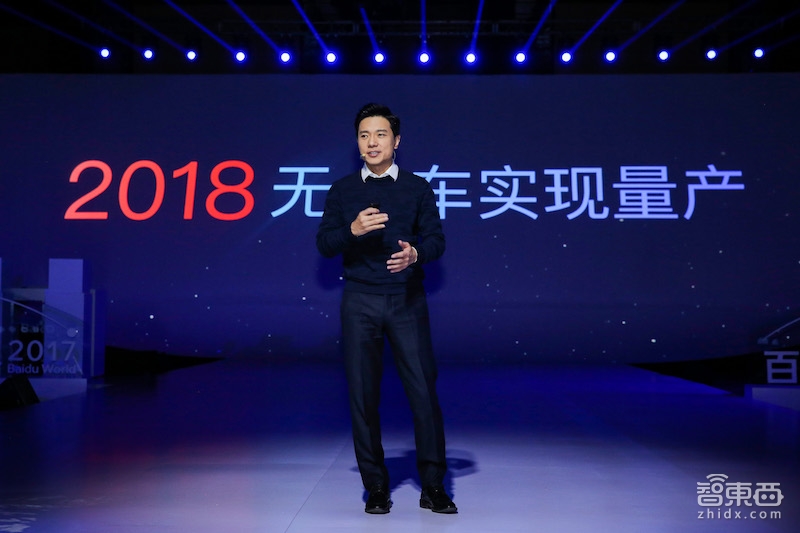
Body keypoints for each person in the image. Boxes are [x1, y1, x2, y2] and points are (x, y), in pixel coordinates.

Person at [316, 103, 456, 514]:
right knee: (362, 396)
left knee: (423, 393)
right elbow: (325, 243)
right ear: (357, 144)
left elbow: (436, 240)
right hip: (359, 300)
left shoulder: (417, 187)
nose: (371, 142)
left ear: (396, 141)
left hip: (406, 300)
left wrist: (416, 254)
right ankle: (376, 486)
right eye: (364, 135)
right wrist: (352, 230)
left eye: (380, 134)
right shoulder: (342, 190)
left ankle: (433, 486)